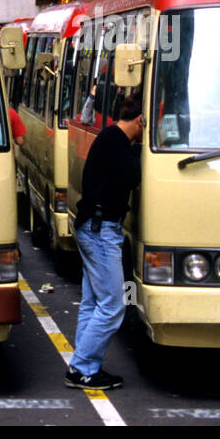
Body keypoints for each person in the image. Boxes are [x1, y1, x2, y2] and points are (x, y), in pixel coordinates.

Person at [65, 95, 143, 391]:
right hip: (100, 231)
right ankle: (81, 367)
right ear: (139, 121)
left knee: (92, 302)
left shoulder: (112, 139)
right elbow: (134, 173)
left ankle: (85, 367)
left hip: (93, 227)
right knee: (112, 306)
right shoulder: (115, 141)